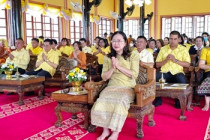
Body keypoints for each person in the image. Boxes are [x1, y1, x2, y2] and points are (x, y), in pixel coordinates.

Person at [91, 31, 139, 140]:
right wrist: (113, 68)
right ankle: (105, 130)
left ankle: (115, 132)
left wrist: (118, 66)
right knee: (101, 101)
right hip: (111, 87)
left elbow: (134, 75)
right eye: (113, 41)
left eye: (119, 41)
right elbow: (104, 77)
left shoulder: (133, 55)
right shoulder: (108, 57)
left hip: (127, 87)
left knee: (119, 102)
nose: (116, 43)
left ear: (125, 42)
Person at [154, 31, 191, 108]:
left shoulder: (183, 49)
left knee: (181, 79)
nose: (172, 41)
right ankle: (158, 100)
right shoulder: (163, 49)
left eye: (175, 39)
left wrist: (175, 60)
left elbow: (187, 64)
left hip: (178, 72)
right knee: (156, 77)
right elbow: (157, 65)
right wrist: (166, 60)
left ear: (179, 39)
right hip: (164, 72)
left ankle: (178, 101)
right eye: (171, 39)